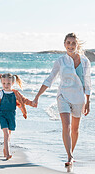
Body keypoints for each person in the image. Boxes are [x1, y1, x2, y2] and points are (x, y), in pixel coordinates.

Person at [33, 33, 91, 166]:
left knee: (75, 129)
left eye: (73, 43)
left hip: (79, 98)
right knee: (66, 125)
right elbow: (50, 79)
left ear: (77, 45)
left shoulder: (85, 61)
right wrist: (37, 96)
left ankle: (72, 152)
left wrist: (88, 102)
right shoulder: (60, 61)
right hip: (63, 96)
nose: (70, 46)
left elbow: (87, 82)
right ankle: (69, 156)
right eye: (68, 43)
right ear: (64, 44)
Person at [0, 73, 35, 160]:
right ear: (1, 83)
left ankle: (5, 149)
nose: (6, 85)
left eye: (8, 84)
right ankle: (7, 153)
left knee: (8, 134)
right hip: (2, 115)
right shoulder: (0, 93)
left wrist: (32, 103)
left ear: (12, 83)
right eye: (4, 83)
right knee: (6, 133)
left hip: (11, 115)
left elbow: (23, 100)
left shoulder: (15, 93)